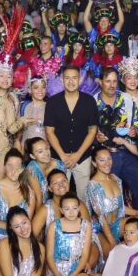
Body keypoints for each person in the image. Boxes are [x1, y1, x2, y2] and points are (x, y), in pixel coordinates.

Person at [94, 66, 138, 209]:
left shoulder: (127, 100)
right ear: (101, 82)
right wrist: (96, 138)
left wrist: (135, 131)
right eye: (108, 81)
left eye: (114, 81)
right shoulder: (93, 102)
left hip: (127, 151)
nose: (112, 85)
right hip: (106, 154)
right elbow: (88, 129)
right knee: (111, 194)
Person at [45, 66, 99, 201]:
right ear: (62, 80)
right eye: (67, 78)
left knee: (84, 197)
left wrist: (78, 154)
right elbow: (49, 131)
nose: (71, 82)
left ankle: (84, 215)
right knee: (59, 196)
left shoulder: (89, 101)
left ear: (80, 80)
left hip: (83, 157)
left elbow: (92, 130)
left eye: (74, 78)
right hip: (59, 158)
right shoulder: (52, 102)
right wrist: (63, 156)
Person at [45, 194, 103, 276]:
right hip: (58, 268)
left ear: (79, 208)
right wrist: (58, 275)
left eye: (74, 208)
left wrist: (75, 274)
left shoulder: (86, 225)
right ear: (61, 210)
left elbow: (85, 254)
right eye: (67, 209)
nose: (71, 212)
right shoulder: (54, 226)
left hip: (78, 266)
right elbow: (49, 255)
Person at [87, 147, 138, 255]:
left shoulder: (115, 179)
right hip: (101, 230)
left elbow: (120, 207)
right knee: (114, 254)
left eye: (109, 158)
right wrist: (112, 241)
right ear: (94, 163)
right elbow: (101, 217)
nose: (107, 163)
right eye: (102, 160)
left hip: (117, 224)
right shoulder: (93, 185)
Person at [0, 149, 36, 245]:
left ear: (22, 168)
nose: (13, 170)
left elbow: (26, 226)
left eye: (17, 166)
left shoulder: (29, 193)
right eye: (10, 165)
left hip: (17, 242)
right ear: (4, 166)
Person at [24, 136, 67, 204]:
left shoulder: (60, 165)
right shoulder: (32, 170)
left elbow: (65, 190)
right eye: (40, 152)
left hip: (58, 201)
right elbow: (38, 198)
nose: (46, 153)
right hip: (36, 203)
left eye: (46, 148)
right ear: (32, 156)